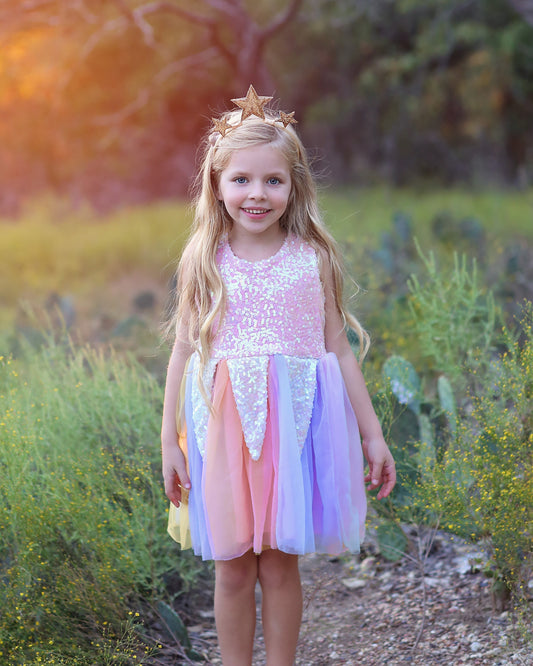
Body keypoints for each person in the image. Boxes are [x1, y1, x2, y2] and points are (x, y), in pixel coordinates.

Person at [161, 85, 396, 666]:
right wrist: (169, 440)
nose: (256, 194)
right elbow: (184, 351)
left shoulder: (311, 258)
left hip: (292, 433)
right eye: (241, 179)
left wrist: (372, 434)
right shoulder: (203, 260)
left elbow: (338, 348)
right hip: (222, 432)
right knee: (234, 567)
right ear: (217, 184)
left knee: (279, 563)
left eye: (273, 181)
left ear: (295, 187)